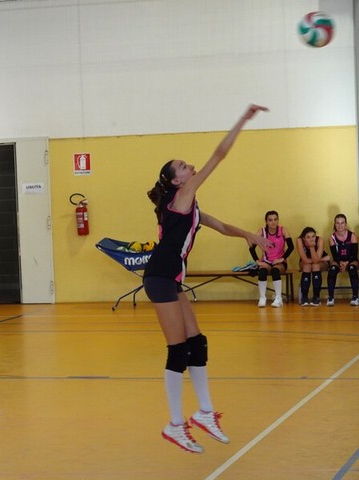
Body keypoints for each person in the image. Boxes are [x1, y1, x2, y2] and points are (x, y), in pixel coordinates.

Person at [143, 104, 270, 454]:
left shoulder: (191, 205)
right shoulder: (180, 197)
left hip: (170, 279)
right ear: (177, 181)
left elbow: (222, 226)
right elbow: (219, 155)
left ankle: (204, 412)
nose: (190, 166)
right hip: (159, 277)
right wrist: (242, 120)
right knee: (177, 350)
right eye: (183, 166)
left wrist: (250, 235)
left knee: (197, 343)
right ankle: (174, 425)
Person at [248, 211, 293, 308]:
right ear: (266, 221)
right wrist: (257, 261)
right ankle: (262, 297)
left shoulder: (283, 230)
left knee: (275, 271)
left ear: (278, 220)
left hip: (279, 262)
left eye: (275, 219)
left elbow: (291, 247)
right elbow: (251, 248)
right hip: (266, 261)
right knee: (262, 272)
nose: (273, 222)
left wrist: (282, 259)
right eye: (270, 220)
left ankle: (278, 298)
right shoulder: (261, 231)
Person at [326, 214, 359, 306]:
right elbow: (335, 255)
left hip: (351, 259)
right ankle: (331, 298)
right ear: (334, 224)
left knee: (352, 269)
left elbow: (354, 254)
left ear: (346, 224)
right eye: (337, 223)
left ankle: (355, 297)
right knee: (332, 270)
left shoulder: (352, 236)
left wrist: (347, 263)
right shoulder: (332, 238)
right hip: (338, 260)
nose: (340, 225)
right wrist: (341, 263)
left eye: (342, 223)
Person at [296, 227, 330, 306]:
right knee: (307, 266)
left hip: (321, 262)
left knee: (315, 266)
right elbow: (305, 260)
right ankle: (304, 297)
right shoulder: (299, 240)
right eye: (308, 237)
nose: (311, 239)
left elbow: (316, 261)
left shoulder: (320, 240)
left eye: (313, 236)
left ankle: (316, 297)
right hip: (310, 261)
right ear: (304, 238)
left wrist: (312, 247)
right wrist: (321, 259)